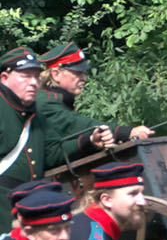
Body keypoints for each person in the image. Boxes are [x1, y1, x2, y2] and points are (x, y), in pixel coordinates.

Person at [0, 47, 111, 196]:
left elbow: (52, 153)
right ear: (4, 78)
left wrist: (90, 141)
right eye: (26, 76)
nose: (33, 82)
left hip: (26, 198)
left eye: (36, 77)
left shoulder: (35, 116)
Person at [38, 43, 155, 151]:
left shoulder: (57, 99)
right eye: (78, 72)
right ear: (56, 74)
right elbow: (76, 124)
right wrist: (127, 132)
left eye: (84, 72)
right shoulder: (45, 101)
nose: (84, 78)